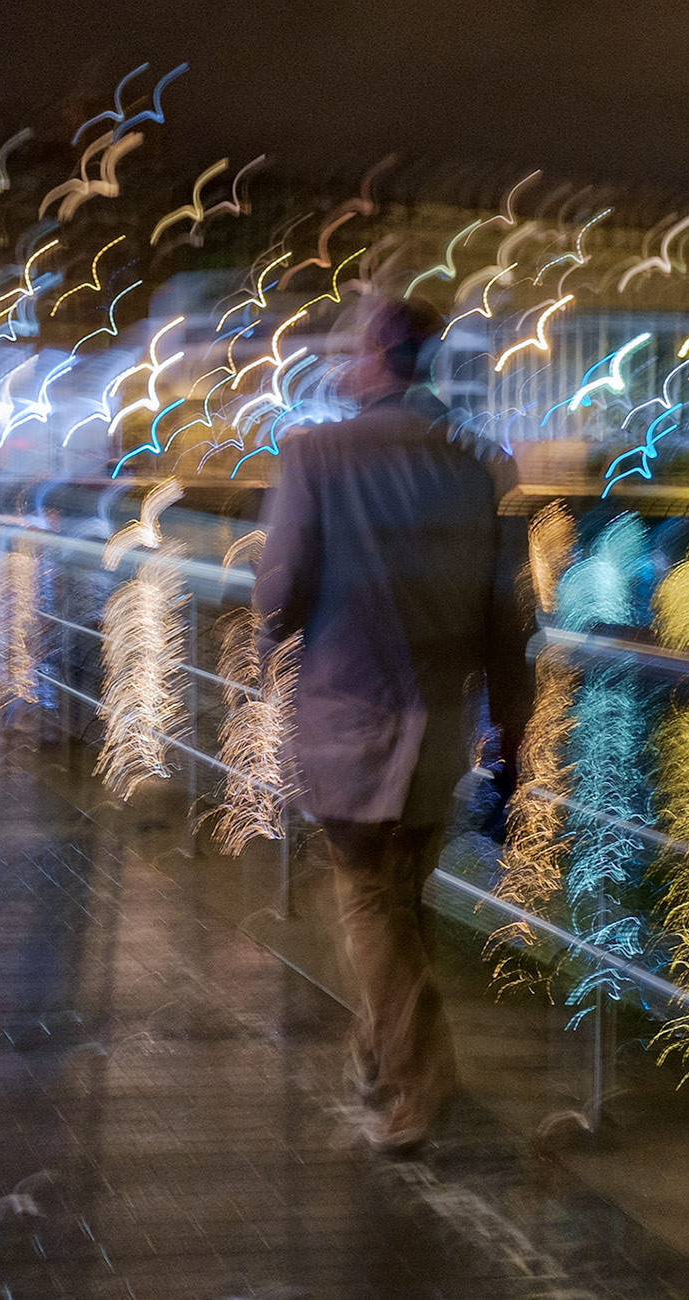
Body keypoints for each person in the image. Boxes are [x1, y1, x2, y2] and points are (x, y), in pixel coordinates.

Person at [254, 296, 531, 1152]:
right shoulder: (482, 466)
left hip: (347, 720)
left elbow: (278, 594)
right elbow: (508, 622)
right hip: (439, 728)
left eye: (351, 345)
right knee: (399, 899)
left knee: (368, 904)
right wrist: (511, 736)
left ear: (375, 354)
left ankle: (423, 1078)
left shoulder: (314, 456)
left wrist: (268, 634)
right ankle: (377, 1057)